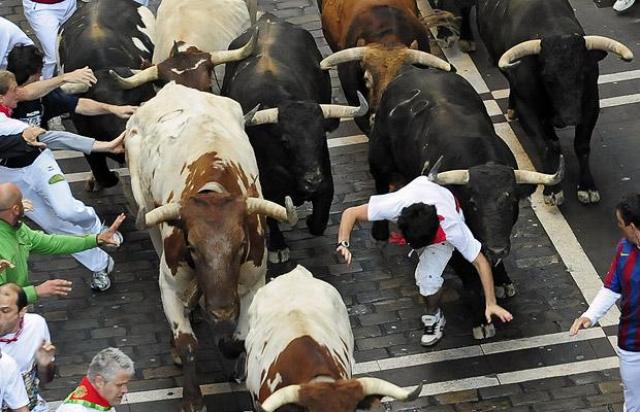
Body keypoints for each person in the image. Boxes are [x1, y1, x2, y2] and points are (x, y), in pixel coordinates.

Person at [336, 175, 513, 346]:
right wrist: (343, 243)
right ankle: (434, 312)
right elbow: (350, 213)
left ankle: (434, 317)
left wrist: (491, 303)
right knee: (425, 279)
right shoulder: (394, 204)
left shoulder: (452, 227)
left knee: (426, 279)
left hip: (442, 229)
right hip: (421, 192)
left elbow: (481, 263)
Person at [0, 69, 131, 291]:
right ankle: (100, 264)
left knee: (66, 210)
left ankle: (95, 224)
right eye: (15, 91)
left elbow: (55, 137)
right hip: (9, 178)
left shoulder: (12, 123)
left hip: (39, 164)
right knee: (53, 225)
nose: (19, 94)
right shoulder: (6, 127)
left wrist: (103, 146)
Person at [570, 193, 640, 412]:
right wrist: (590, 315)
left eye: (620, 223)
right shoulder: (624, 249)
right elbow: (612, 286)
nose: (618, 226)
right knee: (634, 402)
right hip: (632, 343)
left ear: (633, 227)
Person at [0, 182, 125, 303]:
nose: (26, 203)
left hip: (15, 308)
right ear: (16, 209)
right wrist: (36, 291)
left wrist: (96, 239)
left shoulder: (17, 229)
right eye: (21, 201)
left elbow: (54, 243)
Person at [0, 283, 55, 412]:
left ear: (22, 311)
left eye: (5, 311)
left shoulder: (37, 324)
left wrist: (44, 365)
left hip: (33, 406)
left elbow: (46, 380)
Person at [56, 347, 134, 412]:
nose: (125, 390)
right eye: (119, 385)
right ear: (99, 381)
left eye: (125, 384)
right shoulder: (76, 410)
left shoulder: (102, 402)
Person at [22, 0, 76, 79]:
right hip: (42, 6)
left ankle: (68, 77)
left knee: (71, 44)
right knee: (54, 55)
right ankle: (47, 83)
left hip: (69, 3)